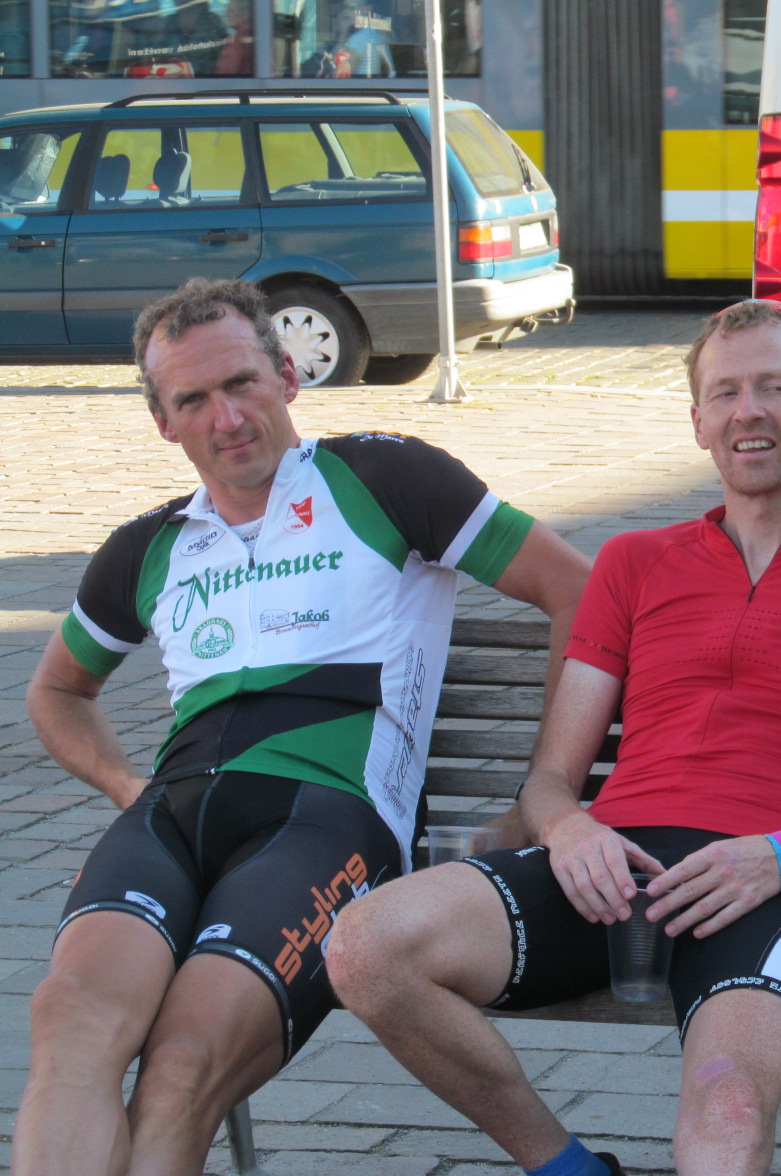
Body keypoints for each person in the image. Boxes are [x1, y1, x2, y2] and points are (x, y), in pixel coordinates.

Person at [326, 299, 781, 1176]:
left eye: (774, 387)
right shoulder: (632, 564)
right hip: (613, 874)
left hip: (770, 885)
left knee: (730, 1105)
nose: (748, 412)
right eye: (725, 393)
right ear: (698, 423)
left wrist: (776, 857)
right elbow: (551, 779)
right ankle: (570, 1169)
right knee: (364, 948)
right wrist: (569, 829)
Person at [17, 278, 590, 1176]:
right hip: (172, 815)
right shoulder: (149, 544)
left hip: (327, 821)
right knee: (67, 1019)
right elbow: (56, 691)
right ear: (163, 422)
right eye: (193, 400)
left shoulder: (386, 477)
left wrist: (544, 790)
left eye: (242, 382)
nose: (227, 418)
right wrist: (125, 784)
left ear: (287, 374)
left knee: (182, 1067)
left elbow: (580, 591)